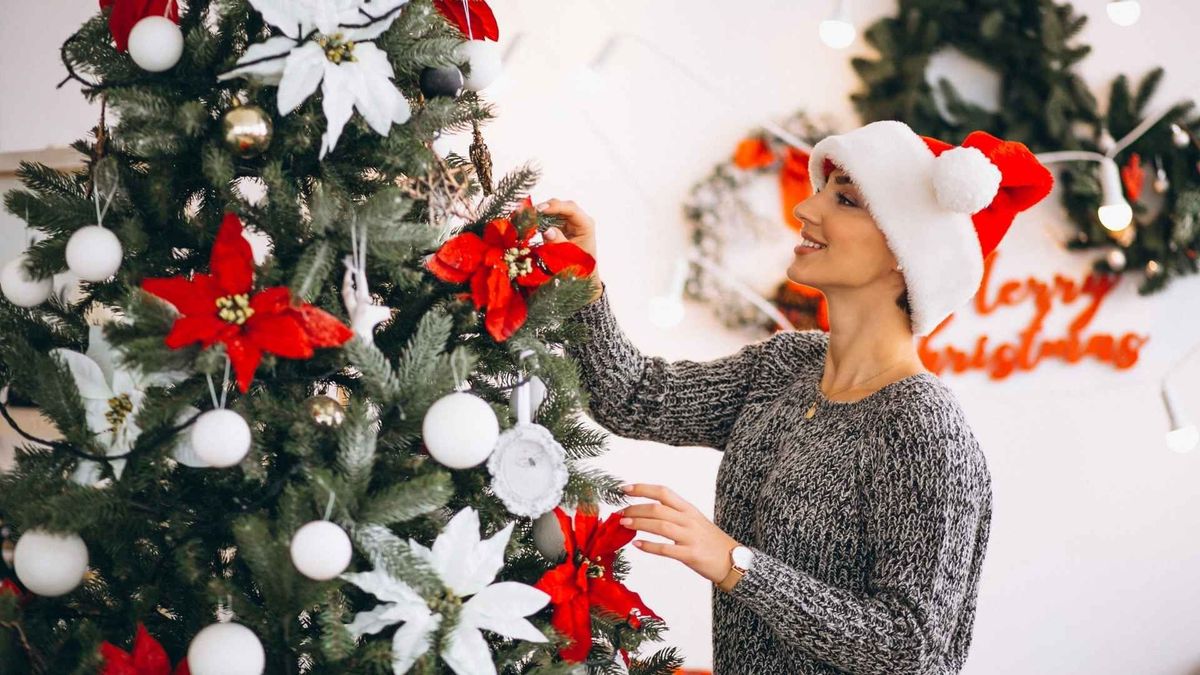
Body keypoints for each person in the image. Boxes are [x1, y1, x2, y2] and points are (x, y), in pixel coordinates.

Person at [535, 119, 1055, 674]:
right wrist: (580, 276)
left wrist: (735, 563)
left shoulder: (924, 429)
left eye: (846, 200)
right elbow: (634, 396)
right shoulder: (786, 366)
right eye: (820, 191)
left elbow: (911, 648)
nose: (806, 211)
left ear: (908, 253)